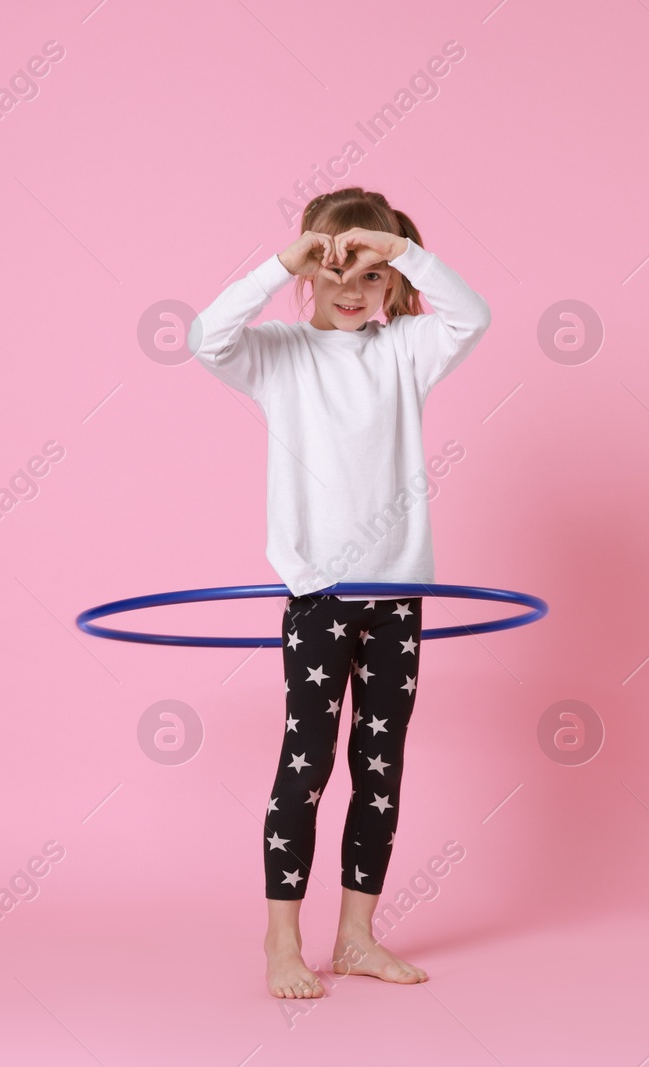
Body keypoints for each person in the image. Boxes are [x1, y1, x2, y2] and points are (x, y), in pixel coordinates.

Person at [191, 187, 491, 998]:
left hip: (396, 596)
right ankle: (280, 941)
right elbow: (204, 336)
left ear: (392, 279)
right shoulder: (279, 354)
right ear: (309, 274)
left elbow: (474, 316)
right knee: (308, 761)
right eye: (332, 268)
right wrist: (282, 260)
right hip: (320, 594)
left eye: (369, 269)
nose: (351, 285)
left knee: (380, 764)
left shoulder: (406, 351)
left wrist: (398, 250)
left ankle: (356, 935)